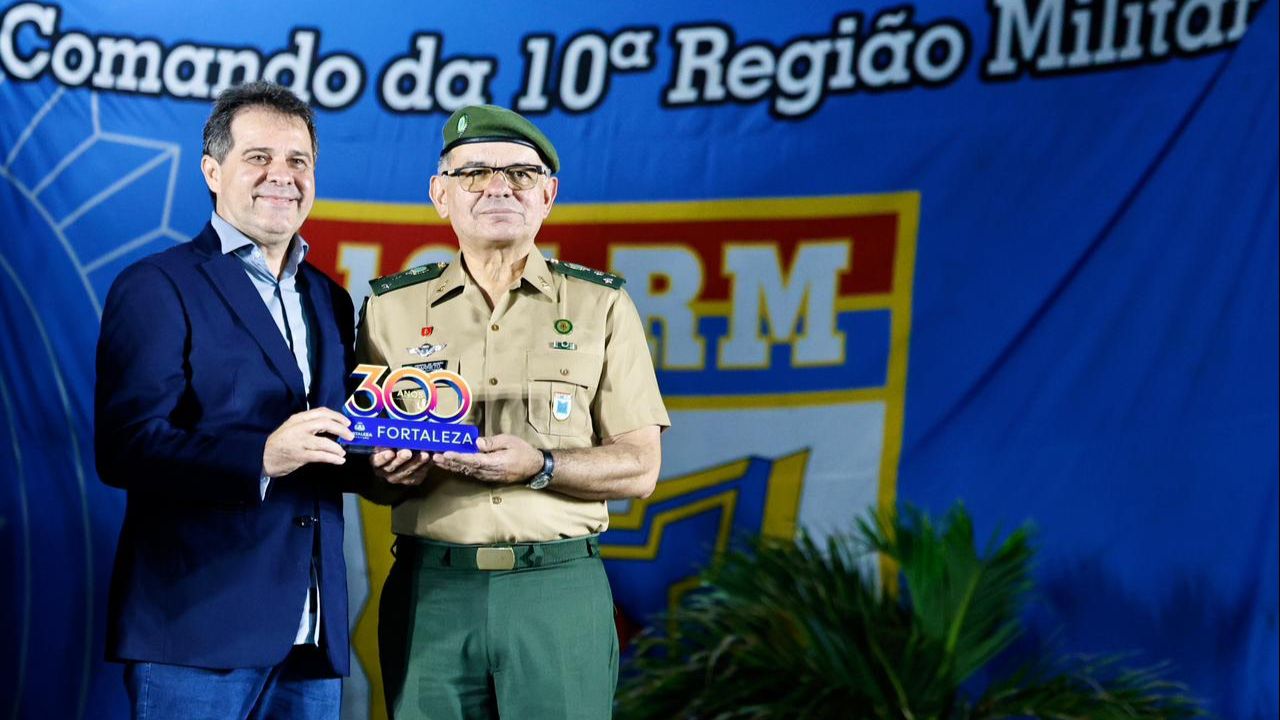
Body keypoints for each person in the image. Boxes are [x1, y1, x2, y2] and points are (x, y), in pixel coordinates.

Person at [358, 104, 669, 719]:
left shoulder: (601, 306)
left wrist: (542, 464)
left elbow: (640, 468)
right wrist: (388, 472)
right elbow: (367, 462)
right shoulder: (388, 310)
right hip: (432, 590)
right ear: (439, 194)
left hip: (554, 591)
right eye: (474, 173)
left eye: (521, 174)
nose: (498, 186)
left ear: (547, 195)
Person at [94, 81, 356, 719]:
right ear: (213, 171)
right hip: (195, 632)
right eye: (258, 157)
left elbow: (336, 445)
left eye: (299, 161)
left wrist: (395, 464)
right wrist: (262, 456)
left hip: (313, 638)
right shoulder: (158, 286)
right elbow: (126, 449)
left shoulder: (331, 298)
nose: (282, 176)